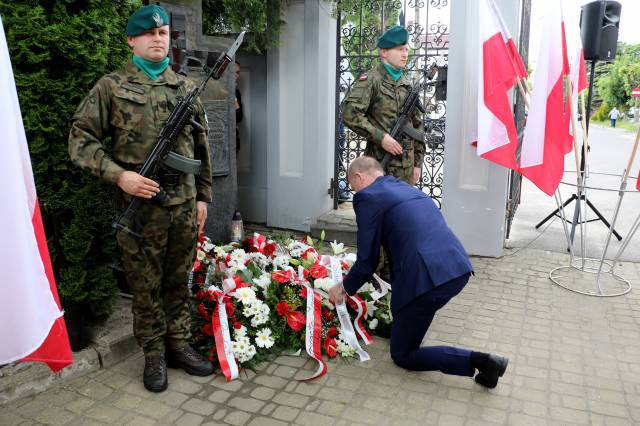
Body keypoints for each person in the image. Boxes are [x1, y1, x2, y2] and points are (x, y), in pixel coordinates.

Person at [68, 4, 214, 392]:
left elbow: (202, 149)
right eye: (149, 34)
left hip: (182, 206)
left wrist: (203, 198)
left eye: (163, 33)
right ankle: (153, 354)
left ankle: (179, 344)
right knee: (145, 285)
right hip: (139, 212)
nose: (157, 39)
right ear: (131, 40)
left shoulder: (184, 88)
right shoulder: (110, 86)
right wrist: (121, 177)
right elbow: (80, 140)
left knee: (178, 280)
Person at [328, 157, 509, 389]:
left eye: (353, 186)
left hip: (427, 280)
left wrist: (342, 289)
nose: (355, 191)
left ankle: (483, 361)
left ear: (359, 177)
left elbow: (367, 261)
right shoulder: (405, 188)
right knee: (407, 321)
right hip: (456, 267)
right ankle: (484, 369)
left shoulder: (367, 197)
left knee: (403, 354)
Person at [341, 25, 424, 185]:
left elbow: (417, 126)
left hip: (406, 170)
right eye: (400, 49)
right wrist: (381, 137)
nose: (405, 54)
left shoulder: (407, 83)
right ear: (384, 52)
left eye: (406, 49)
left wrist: (417, 164)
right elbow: (349, 113)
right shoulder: (371, 80)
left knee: (402, 210)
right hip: (379, 167)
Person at [235, 61, 244, 151]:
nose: (236, 75)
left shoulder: (236, 93)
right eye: (233, 72)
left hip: (234, 142)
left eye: (238, 72)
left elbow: (239, 117)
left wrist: (233, 97)